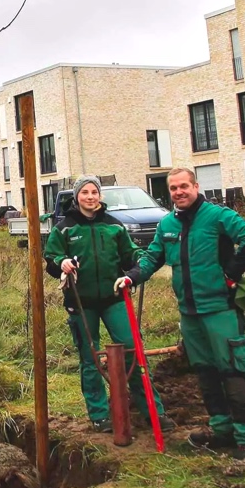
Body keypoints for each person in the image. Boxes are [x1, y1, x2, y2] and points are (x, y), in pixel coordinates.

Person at [117, 167, 245, 459]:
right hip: (189, 313)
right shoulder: (168, 224)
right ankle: (221, 429)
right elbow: (153, 257)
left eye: (184, 186)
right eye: (173, 188)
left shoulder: (218, 216)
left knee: (233, 370)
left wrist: (232, 273)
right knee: (205, 372)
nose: (179, 192)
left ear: (196, 186)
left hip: (220, 309)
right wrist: (132, 277)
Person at [44, 175, 175, 433]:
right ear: (77, 197)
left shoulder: (114, 226)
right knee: (90, 358)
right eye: (85, 193)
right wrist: (62, 263)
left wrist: (138, 265)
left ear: (100, 196)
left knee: (132, 352)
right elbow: (51, 259)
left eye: (94, 192)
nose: (90, 197)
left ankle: (153, 411)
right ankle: (100, 415)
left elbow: (131, 255)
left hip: (115, 299)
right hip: (81, 302)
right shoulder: (65, 227)